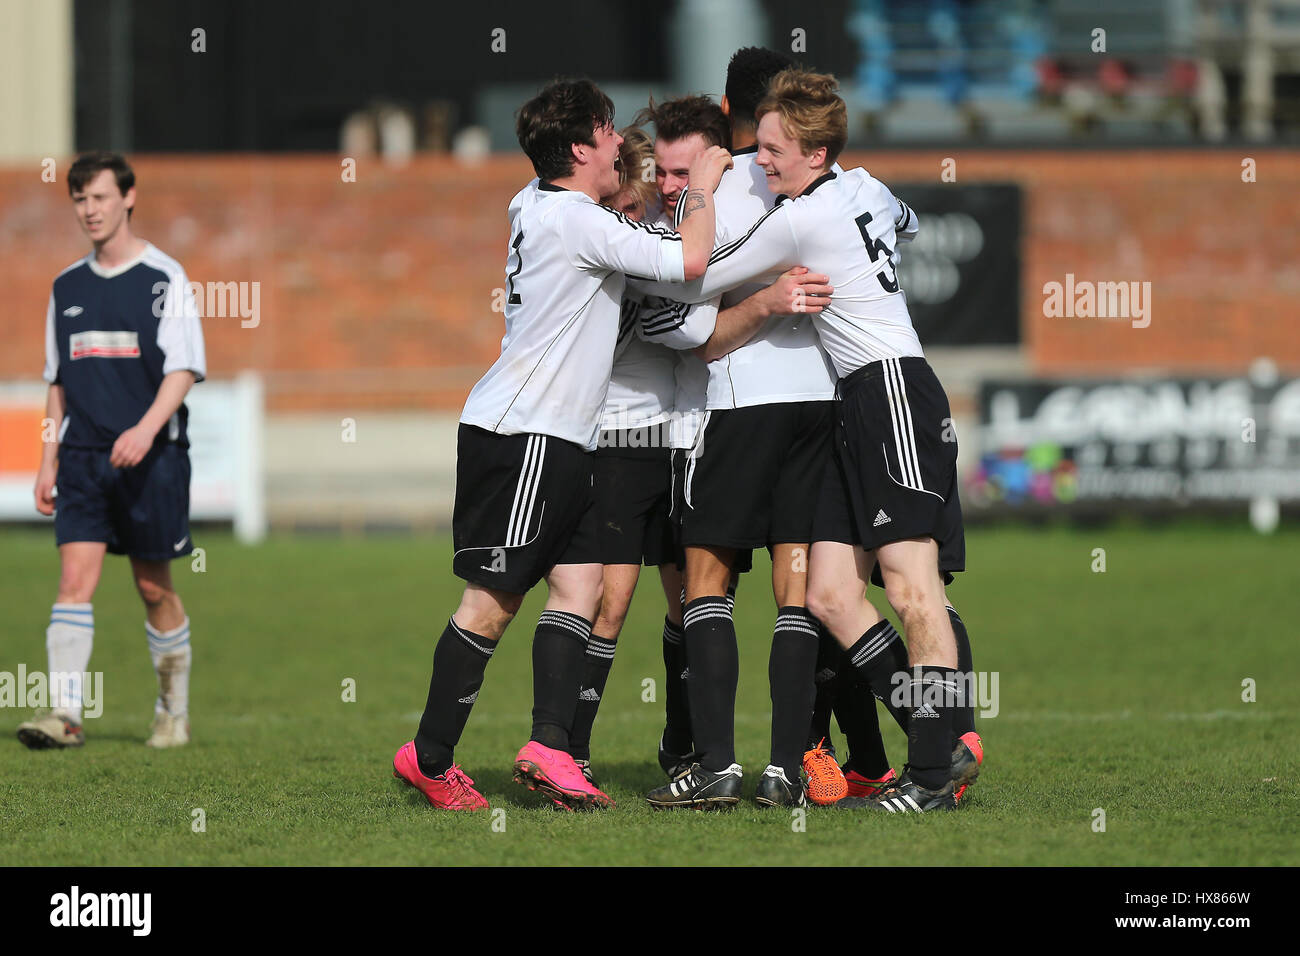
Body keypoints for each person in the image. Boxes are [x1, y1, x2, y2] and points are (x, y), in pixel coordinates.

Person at [633, 68, 980, 812]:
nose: (758, 161)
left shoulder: (800, 219)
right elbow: (907, 221)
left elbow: (694, 274)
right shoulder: (867, 189)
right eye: (754, 147)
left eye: (772, 150)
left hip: (889, 394)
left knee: (915, 591)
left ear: (816, 154)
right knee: (829, 594)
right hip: (853, 402)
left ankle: (928, 772)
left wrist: (698, 190)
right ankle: (940, 743)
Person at [390, 78, 731, 812]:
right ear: (580, 148)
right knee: (491, 603)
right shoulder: (576, 220)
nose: (620, 145)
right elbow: (693, 261)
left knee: (581, 589)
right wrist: (703, 179)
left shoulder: (536, 203)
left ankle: (551, 747)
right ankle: (429, 756)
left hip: (566, 439)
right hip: (524, 435)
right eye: (609, 132)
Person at [18, 151, 206, 752]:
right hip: (82, 460)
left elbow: (183, 369)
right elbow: (57, 382)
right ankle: (64, 716)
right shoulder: (66, 286)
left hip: (151, 459)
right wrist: (48, 457)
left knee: (154, 588)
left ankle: (172, 712)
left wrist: (146, 429)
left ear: (127, 198)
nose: (89, 210)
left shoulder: (164, 278)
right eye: (79, 200)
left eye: (99, 197)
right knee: (73, 582)